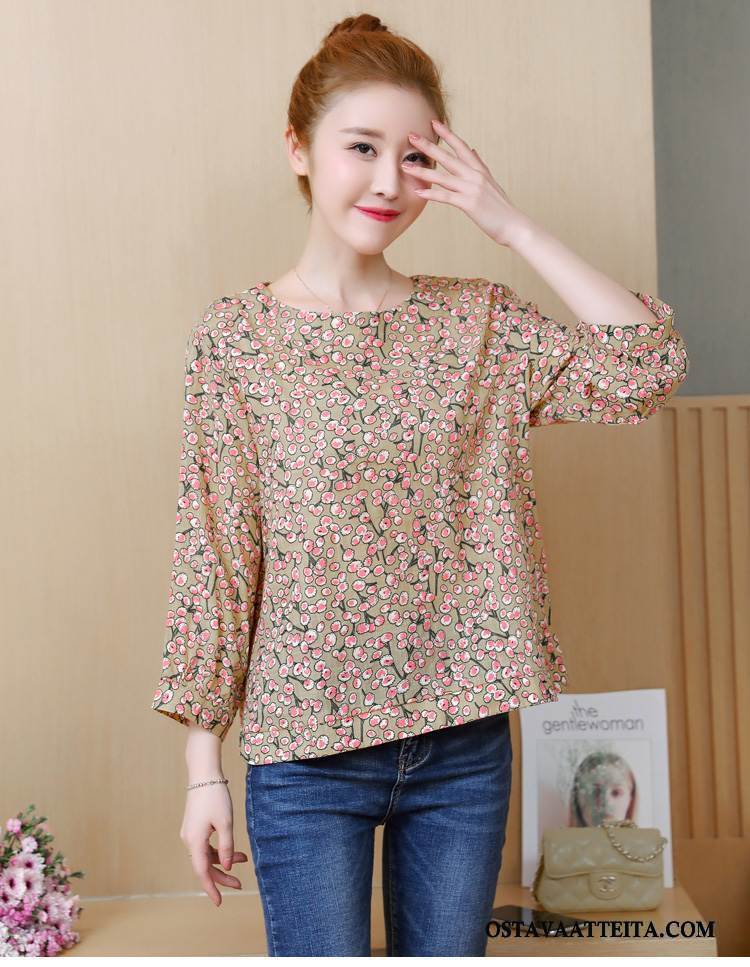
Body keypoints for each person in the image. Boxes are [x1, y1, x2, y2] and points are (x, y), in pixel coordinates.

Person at [149, 12, 690, 957]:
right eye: (362, 147)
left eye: (417, 156)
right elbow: (217, 554)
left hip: (463, 747)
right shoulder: (237, 340)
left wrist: (510, 224)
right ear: (299, 148)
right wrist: (204, 768)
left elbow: (646, 366)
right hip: (305, 757)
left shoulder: (478, 325)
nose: (389, 182)